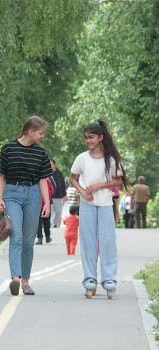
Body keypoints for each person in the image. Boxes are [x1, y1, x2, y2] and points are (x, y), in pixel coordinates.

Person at [69, 120, 128, 299]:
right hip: (87, 206)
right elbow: (72, 178)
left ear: (100, 138)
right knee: (88, 242)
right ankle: (90, 279)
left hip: (105, 205)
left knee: (108, 242)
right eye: (86, 138)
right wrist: (82, 192)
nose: (88, 141)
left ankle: (109, 280)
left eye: (92, 137)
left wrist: (99, 186)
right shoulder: (82, 158)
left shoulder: (110, 159)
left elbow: (118, 181)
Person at [0, 116, 52, 296]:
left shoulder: (41, 153)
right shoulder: (8, 148)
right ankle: (16, 278)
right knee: (16, 236)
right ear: (30, 131)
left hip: (33, 194)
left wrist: (47, 203)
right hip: (12, 192)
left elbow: (43, 179)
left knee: (28, 241)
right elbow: (0, 175)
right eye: (41, 133)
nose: (42, 136)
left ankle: (26, 281)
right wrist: (0, 199)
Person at [36, 176, 54, 245]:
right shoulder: (47, 180)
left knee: (38, 222)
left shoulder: (35, 180)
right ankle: (47, 236)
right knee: (47, 221)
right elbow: (52, 191)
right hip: (46, 203)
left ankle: (40, 238)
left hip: (37, 203)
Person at [50, 159, 67, 228]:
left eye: (51, 164)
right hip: (49, 196)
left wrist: (64, 195)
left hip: (58, 196)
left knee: (58, 211)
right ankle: (50, 224)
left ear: (54, 164)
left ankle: (55, 224)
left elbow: (63, 185)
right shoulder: (47, 174)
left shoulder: (59, 174)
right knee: (50, 211)